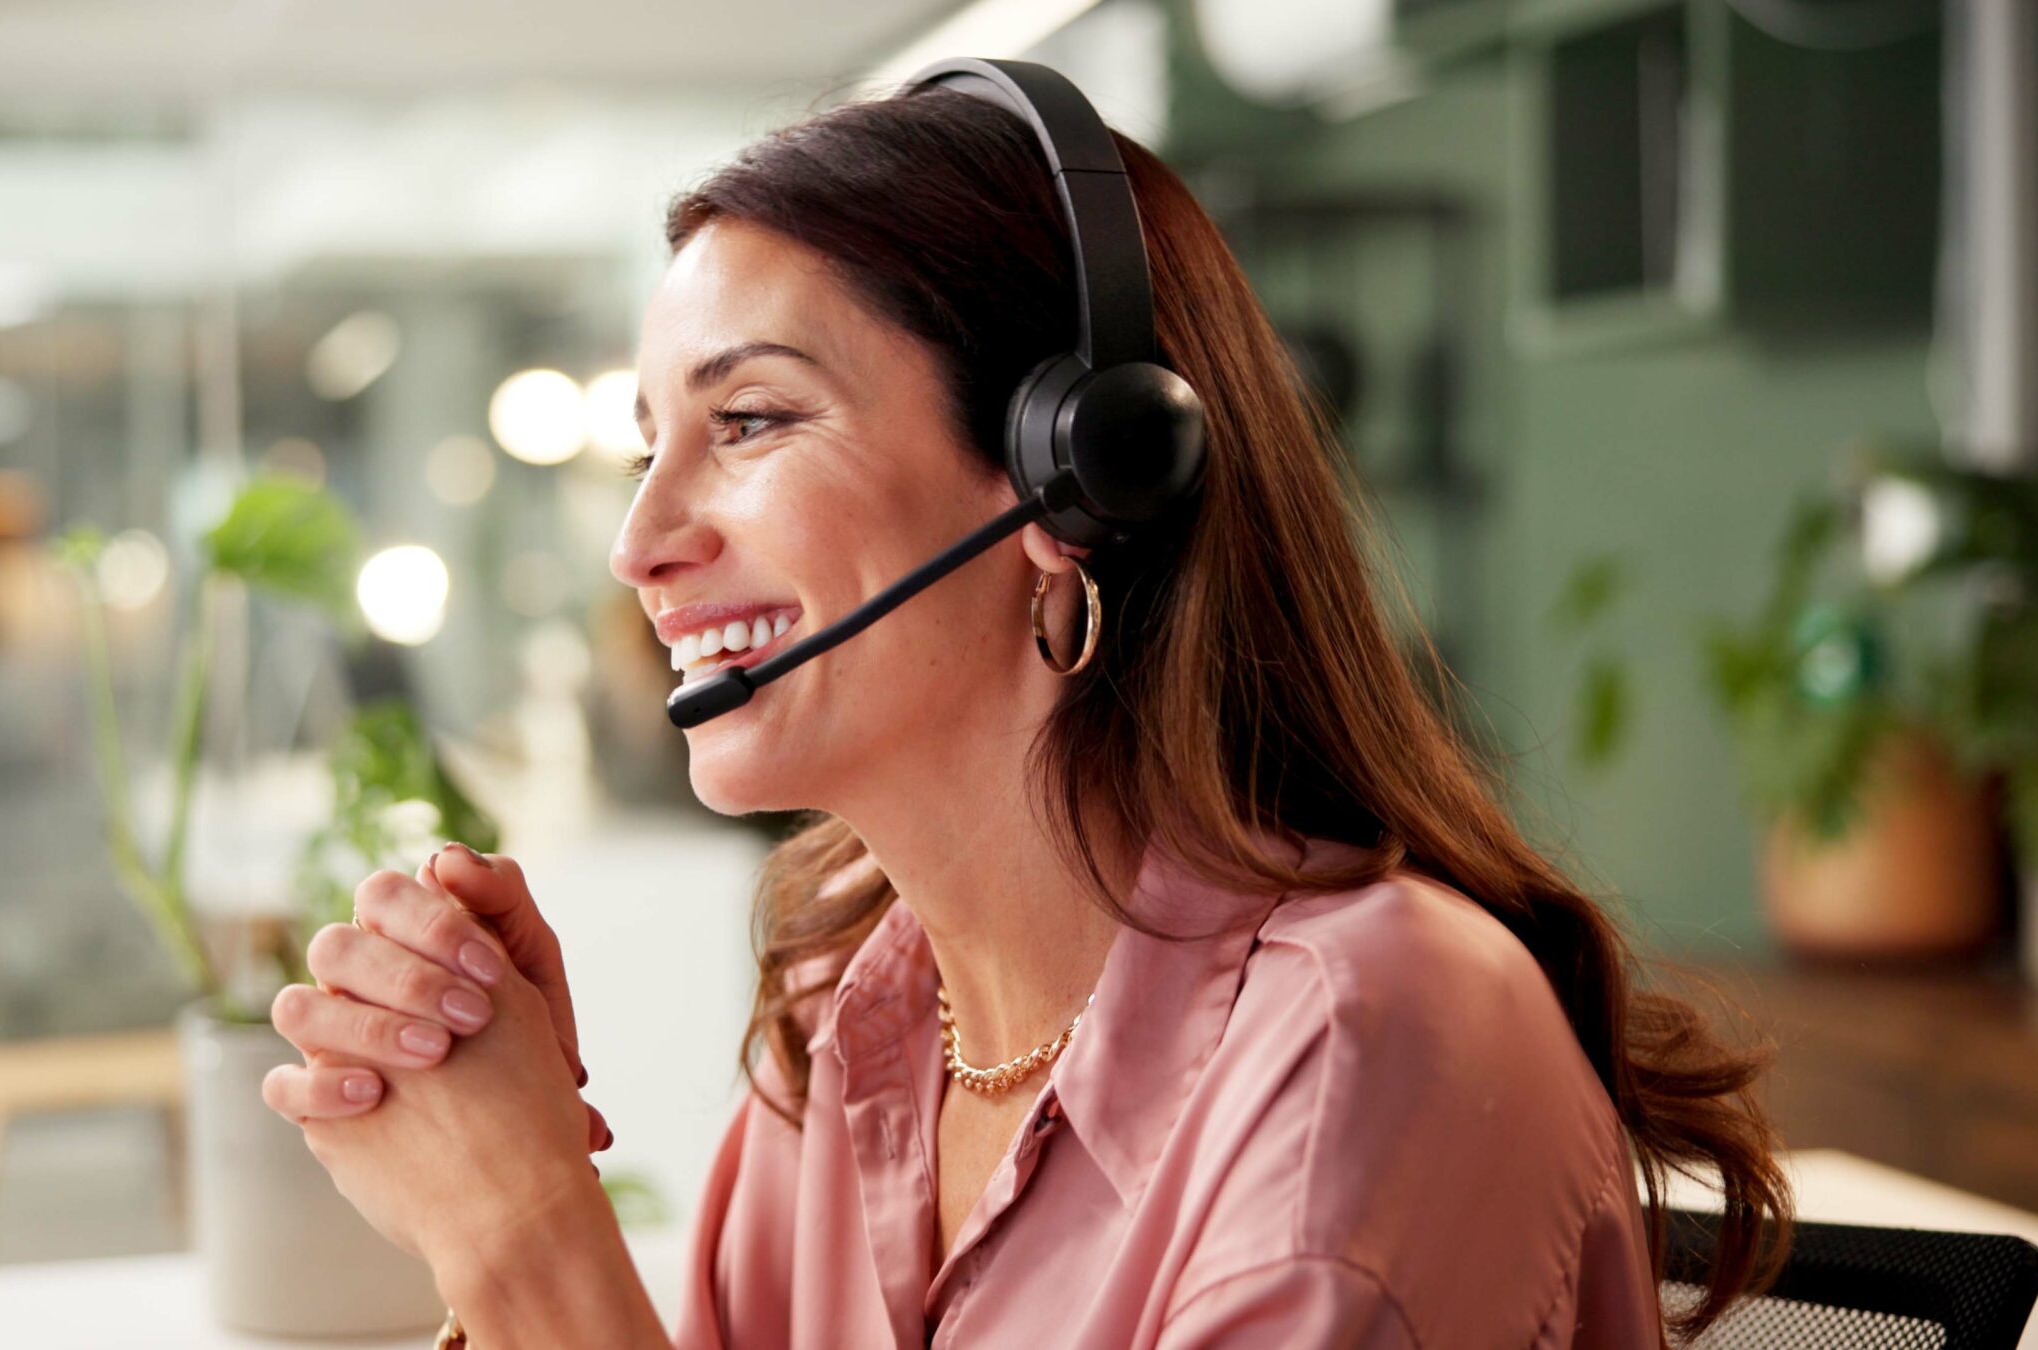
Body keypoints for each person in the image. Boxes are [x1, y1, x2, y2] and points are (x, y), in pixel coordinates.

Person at [258, 75, 1794, 1349]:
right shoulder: (845, 1023)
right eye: (654, 439)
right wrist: (489, 1163)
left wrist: (522, 1233)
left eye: (749, 420)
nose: (639, 538)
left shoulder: (1358, 1051)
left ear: (1081, 476)